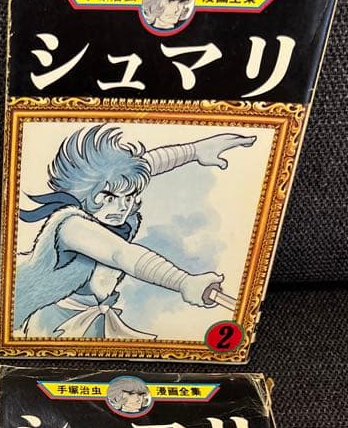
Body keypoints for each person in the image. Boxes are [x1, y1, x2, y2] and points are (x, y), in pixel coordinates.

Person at [14, 124, 255, 339]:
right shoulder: (71, 225)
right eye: (109, 197)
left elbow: (145, 165)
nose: (122, 206)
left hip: (96, 315)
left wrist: (195, 150)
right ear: (82, 191)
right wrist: (184, 281)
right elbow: (121, 254)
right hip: (53, 320)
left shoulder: (118, 211)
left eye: (129, 197)